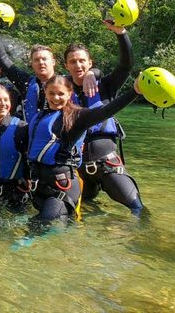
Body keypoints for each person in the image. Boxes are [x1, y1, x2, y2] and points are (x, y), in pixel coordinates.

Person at [26, 75, 141, 223]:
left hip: (62, 187)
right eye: (51, 93)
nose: (56, 98)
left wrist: (135, 92)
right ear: (45, 92)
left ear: (69, 94)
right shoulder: (39, 117)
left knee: (41, 228)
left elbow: (106, 111)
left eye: (61, 93)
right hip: (40, 187)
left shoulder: (78, 116)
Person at [64, 20, 142, 214]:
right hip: (78, 170)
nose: (78, 65)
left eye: (82, 61)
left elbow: (126, 66)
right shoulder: (60, 92)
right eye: (73, 62)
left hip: (107, 165)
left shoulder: (106, 86)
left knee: (136, 208)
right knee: (77, 214)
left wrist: (121, 33)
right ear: (66, 66)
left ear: (90, 63)